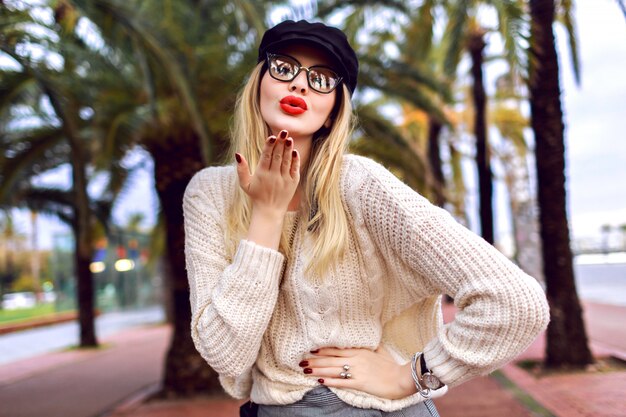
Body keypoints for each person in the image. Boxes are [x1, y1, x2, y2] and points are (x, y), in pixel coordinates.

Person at [183, 19, 549, 417]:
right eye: (284, 67)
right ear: (259, 85)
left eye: (322, 78)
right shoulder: (210, 194)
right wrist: (267, 215)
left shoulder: (360, 185)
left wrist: (409, 376)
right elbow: (225, 355)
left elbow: (516, 301)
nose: (300, 84)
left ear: (332, 111)